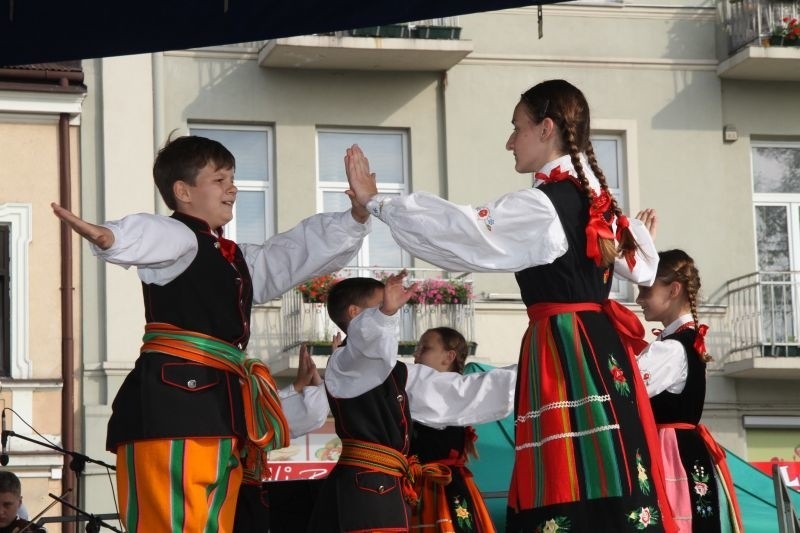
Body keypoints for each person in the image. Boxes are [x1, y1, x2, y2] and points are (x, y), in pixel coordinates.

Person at [344, 79, 678, 532]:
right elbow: (642, 267)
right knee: (608, 468)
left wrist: (377, 202)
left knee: (565, 474)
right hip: (599, 348)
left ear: (546, 129)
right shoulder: (593, 201)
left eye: (516, 128)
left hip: (564, 345)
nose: (509, 141)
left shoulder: (544, 206)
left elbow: (464, 233)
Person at [51, 135, 369, 532]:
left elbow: (291, 253)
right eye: (219, 180)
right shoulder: (181, 239)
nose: (232, 188)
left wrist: (356, 215)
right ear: (182, 191)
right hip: (175, 408)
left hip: (216, 409)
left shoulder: (234, 257)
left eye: (232, 178)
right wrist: (110, 237)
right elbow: (150, 235)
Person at [306, 274, 516, 532]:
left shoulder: (396, 372)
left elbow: (455, 393)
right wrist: (384, 314)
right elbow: (366, 349)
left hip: (384, 485)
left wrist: (530, 367)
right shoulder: (346, 362)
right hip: (367, 486)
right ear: (355, 313)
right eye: (381, 303)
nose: (392, 311)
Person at [635, 250, 744, 532]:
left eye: (645, 289)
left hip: (670, 453)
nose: (638, 299)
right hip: (686, 449)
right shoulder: (684, 341)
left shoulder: (670, 349)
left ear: (673, 289)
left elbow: (619, 389)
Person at [409, 327, 495, 532]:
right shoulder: (414, 391)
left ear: (449, 357)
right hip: (417, 485)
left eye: (425, 348)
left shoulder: (455, 393)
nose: (416, 354)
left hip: (444, 486)